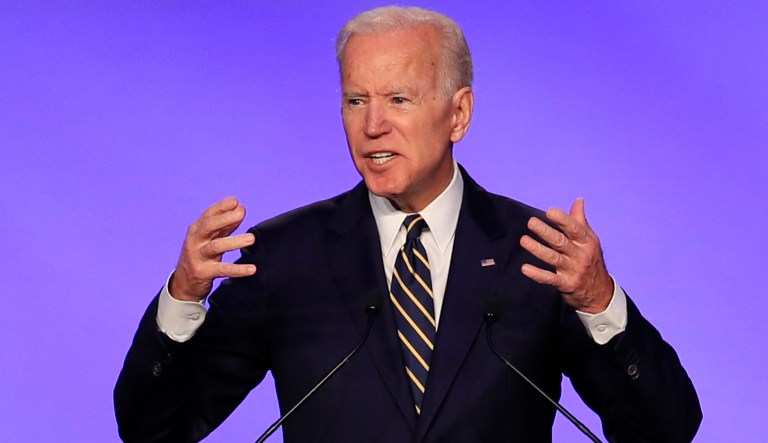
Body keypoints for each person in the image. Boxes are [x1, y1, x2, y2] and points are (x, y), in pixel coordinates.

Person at [115, 6, 701, 442]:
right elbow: (153, 431)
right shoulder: (281, 257)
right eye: (354, 100)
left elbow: (666, 430)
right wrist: (182, 298)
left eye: (398, 99)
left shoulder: (538, 255)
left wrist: (599, 302)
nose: (372, 125)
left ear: (459, 113)